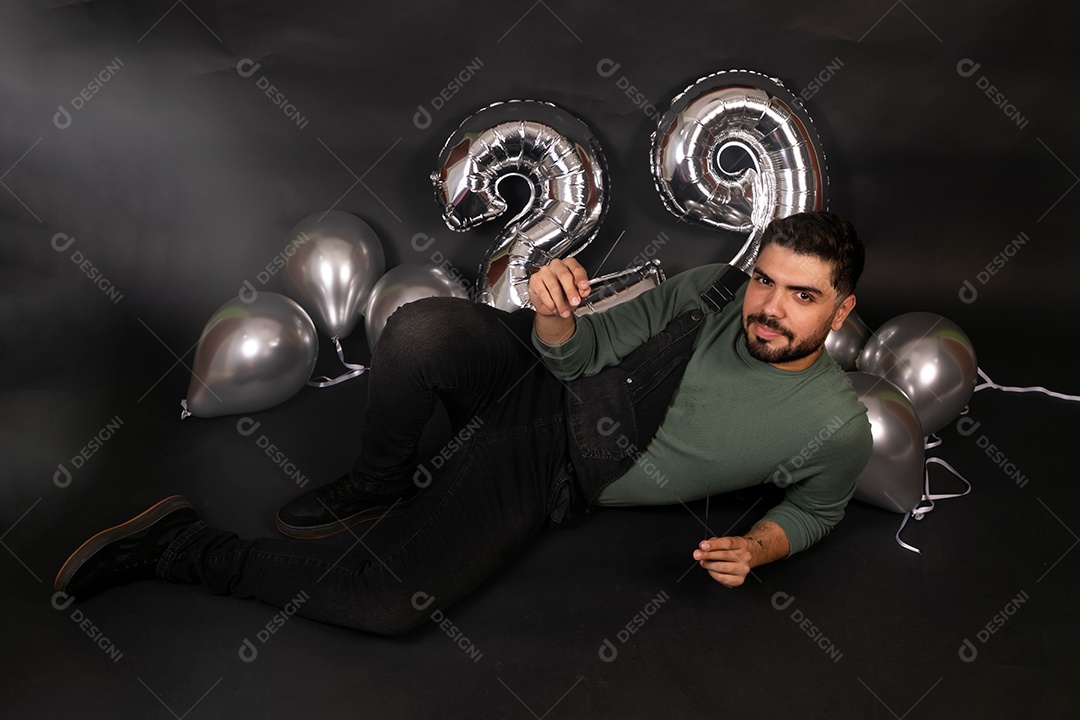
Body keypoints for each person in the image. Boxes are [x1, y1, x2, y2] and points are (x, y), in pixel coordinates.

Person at [54, 211, 873, 635]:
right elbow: (581, 354)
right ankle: (379, 483)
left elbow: (818, 507)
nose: (768, 307)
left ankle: (179, 546)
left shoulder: (834, 425)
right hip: (553, 380)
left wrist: (757, 547)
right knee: (419, 330)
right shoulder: (711, 290)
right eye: (767, 280)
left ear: (841, 311)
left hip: (562, 457)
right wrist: (553, 314)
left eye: (801, 295)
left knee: (389, 603)